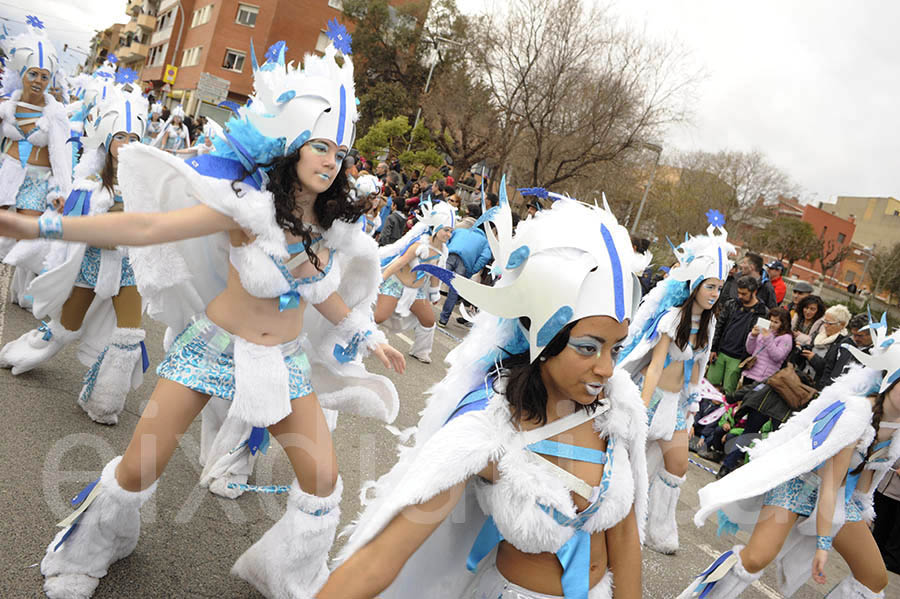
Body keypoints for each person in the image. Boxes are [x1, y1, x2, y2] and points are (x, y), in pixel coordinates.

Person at [0, 35, 408, 599]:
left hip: (283, 366)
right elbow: (145, 229)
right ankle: (94, 546)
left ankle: (286, 574)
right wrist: (41, 226)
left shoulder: (334, 228)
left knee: (322, 483)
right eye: (319, 147)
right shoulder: (249, 209)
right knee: (141, 467)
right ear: (291, 146)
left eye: (339, 154)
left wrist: (367, 333)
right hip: (212, 349)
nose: (330, 161)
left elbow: (320, 294)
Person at [319, 187, 648, 599]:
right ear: (542, 338)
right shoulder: (489, 430)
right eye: (588, 347)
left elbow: (624, 540)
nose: (607, 368)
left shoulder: (616, 410)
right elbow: (379, 559)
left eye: (616, 348)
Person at [678, 326, 900, 599]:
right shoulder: (856, 413)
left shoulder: (898, 429)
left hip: (840, 500)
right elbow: (829, 483)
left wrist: (862, 517)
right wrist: (823, 544)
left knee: (874, 578)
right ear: (891, 379)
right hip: (800, 485)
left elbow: (864, 487)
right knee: (756, 558)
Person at [0, 85, 150, 425]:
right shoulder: (89, 185)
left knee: (128, 335)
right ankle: (20, 353)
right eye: (120, 136)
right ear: (108, 139)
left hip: (128, 270)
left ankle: (103, 402)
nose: (126, 144)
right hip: (91, 267)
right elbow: (72, 227)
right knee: (66, 326)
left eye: (134, 138)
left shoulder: (147, 183)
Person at [618, 209, 733, 554]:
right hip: (649, 400)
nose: (715, 293)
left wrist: (691, 411)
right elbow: (653, 367)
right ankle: (619, 525)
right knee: (629, 464)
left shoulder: (710, 326)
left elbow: (697, 374)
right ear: (695, 284)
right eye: (711, 286)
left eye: (719, 288)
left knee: (678, 466)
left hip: (676, 406)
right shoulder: (671, 318)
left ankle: (659, 530)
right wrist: (638, 408)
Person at [0, 17, 73, 306]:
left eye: (44, 76)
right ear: (23, 73)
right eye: (33, 74)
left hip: (37, 181)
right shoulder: (7, 106)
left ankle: (27, 292)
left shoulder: (56, 114)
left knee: (29, 239)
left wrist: (62, 192)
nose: (39, 81)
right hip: (8, 175)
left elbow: (60, 156)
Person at [375, 199, 455, 363]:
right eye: (446, 230)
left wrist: (434, 293)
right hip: (395, 286)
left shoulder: (443, 252)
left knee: (428, 321)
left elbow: (434, 275)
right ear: (437, 227)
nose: (448, 234)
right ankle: (360, 338)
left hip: (416, 292)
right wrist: (380, 279)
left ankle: (421, 351)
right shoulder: (420, 244)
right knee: (379, 317)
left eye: (451, 231)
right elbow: (398, 262)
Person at [706, 276, 768, 395]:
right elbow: (719, 326)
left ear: (754, 292)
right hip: (720, 352)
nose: (740, 296)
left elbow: (761, 340)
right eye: (739, 292)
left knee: (729, 392)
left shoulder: (763, 312)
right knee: (709, 386)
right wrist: (713, 348)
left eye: (744, 294)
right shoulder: (731, 304)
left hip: (739, 357)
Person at [437, 202, 492, 328]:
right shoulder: (484, 241)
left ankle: (422, 306)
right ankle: (443, 319)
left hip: (450, 255)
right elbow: (485, 257)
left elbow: (448, 240)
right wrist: (472, 270)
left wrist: (445, 252)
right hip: (465, 264)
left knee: (435, 278)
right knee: (454, 291)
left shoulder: (461, 231)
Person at [739, 306, 793, 387]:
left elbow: (777, 356)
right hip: (751, 371)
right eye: (771, 321)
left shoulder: (786, 338)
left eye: (776, 322)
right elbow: (750, 350)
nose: (772, 324)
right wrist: (752, 336)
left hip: (764, 378)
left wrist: (768, 339)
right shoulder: (766, 330)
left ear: (783, 323)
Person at [799, 304, 851, 389]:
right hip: (803, 378)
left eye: (829, 323)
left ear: (842, 324)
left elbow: (831, 370)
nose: (825, 326)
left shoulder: (843, 345)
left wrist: (814, 358)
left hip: (816, 386)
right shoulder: (820, 335)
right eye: (825, 322)